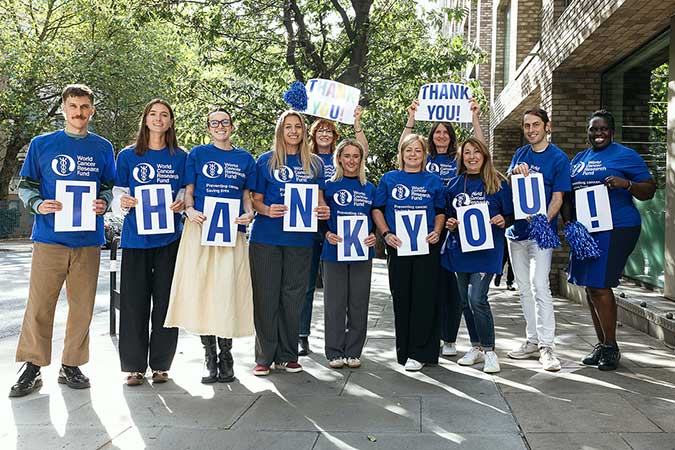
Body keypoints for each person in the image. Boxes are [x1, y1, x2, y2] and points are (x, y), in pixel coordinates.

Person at [10, 84, 115, 397]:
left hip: (87, 240)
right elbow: (26, 185)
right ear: (63, 108)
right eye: (73, 106)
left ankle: (71, 364)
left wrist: (104, 202)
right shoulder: (42, 144)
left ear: (91, 110)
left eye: (84, 106)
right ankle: (32, 366)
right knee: (40, 304)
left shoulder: (102, 147)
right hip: (49, 238)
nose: (79, 112)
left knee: (82, 306)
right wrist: (38, 204)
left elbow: (109, 186)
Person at [164, 108, 255, 383]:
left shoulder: (244, 158)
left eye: (224, 122)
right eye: (214, 123)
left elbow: (246, 196)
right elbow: (188, 193)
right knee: (203, 290)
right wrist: (189, 211)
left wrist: (249, 214)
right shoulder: (197, 155)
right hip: (201, 229)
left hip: (231, 232)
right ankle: (209, 357)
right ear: (208, 128)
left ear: (232, 126)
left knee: (226, 291)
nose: (220, 126)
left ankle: (227, 356)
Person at [563, 110, 655, 371]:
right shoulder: (580, 158)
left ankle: (612, 347)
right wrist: (569, 224)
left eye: (603, 129)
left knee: (601, 285)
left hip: (618, 227)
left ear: (612, 132)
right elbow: (569, 194)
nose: (598, 133)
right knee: (590, 287)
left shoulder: (626, 155)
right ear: (588, 132)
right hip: (587, 230)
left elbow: (649, 189)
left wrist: (626, 184)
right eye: (593, 129)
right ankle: (602, 344)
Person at [400, 98, 484, 357]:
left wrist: (474, 117)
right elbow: (402, 146)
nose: (441, 135)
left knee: (456, 289)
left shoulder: (458, 157)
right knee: (433, 286)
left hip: (456, 223)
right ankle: (435, 336)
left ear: (451, 136)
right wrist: (411, 116)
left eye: (445, 132)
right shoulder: (424, 157)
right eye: (437, 131)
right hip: (428, 225)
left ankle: (456, 339)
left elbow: (481, 146)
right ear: (431, 135)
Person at [249, 110, 330, 376]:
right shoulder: (265, 161)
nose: (293, 131)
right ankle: (264, 357)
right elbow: (255, 199)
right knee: (266, 297)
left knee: (293, 297)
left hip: (300, 240)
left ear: (304, 132)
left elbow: (320, 201)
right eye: (288, 127)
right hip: (266, 238)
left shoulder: (315, 164)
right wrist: (265, 210)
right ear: (280, 131)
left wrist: (323, 211)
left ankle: (288, 354)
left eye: (298, 127)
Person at [114, 99, 186, 385]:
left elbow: (185, 192)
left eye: (164, 115)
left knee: (167, 303)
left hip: (170, 239)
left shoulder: (181, 156)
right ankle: (133, 367)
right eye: (153, 114)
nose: (158, 119)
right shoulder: (128, 155)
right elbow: (117, 196)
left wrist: (182, 202)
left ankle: (161, 365)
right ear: (145, 120)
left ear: (170, 122)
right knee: (133, 303)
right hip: (136, 240)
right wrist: (124, 201)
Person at [299, 107, 369, 356]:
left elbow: (361, 149)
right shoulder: (308, 158)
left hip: (347, 237)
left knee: (355, 298)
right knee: (308, 285)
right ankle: (302, 335)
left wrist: (357, 121)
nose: (325, 133)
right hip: (315, 228)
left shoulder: (354, 171)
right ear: (313, 134)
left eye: (330, 129)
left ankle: (352, 349)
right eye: (321, 130)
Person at [372, 133, 445, 371]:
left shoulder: (433, 181)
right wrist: (385, 234)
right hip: (399, 247)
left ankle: (422, 351)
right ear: (401, 153)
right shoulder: (389, 179)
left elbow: (441, 211)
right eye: (408, 150)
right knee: (402, 297)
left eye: (418, 151)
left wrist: (436, 230)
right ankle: (405, 351)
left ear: (424, 155)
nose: (413, 155)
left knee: (425, 298)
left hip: (426, 246)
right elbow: (378, 210)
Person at [506, 108, 570, 372]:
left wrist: (544, 220)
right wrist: (515, 173)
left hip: (541, 234)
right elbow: (509, 185)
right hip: (516, 233)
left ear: (547, 126)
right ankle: (532, 340)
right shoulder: (520, 154)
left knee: (539, 286)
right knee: (523, 288)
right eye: (527, 126)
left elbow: (558, 197)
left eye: (535, 125)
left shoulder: (558, 158)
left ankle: (547, 346)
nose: (531, 130)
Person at [442, 137, 513, 373]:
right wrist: (450, 223)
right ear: (461, 158)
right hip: (459, 250)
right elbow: (447, 217)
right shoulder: (453, 185)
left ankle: (490, 351)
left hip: (487, 251)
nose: (472, 157)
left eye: (476, 152)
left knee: (477, 299)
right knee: (464, 301)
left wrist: (505, 220)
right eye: (467, 153)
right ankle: (476, 347)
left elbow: (513, 214)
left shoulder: (498, 183)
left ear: (484, 155)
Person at [320, 139, 376, 369]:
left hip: (362, 251)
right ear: (339, 159)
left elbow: (377, 217)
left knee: (358, 303)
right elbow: (319, 217)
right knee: (334, 303)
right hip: (334, 252)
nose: (351, 160)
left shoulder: (370, 187)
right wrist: (326, 234)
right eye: (347, 156)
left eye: (356, 156)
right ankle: (334, 351)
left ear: (361, 160)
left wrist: (375, 234)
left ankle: (353, 351)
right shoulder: (328, 186)